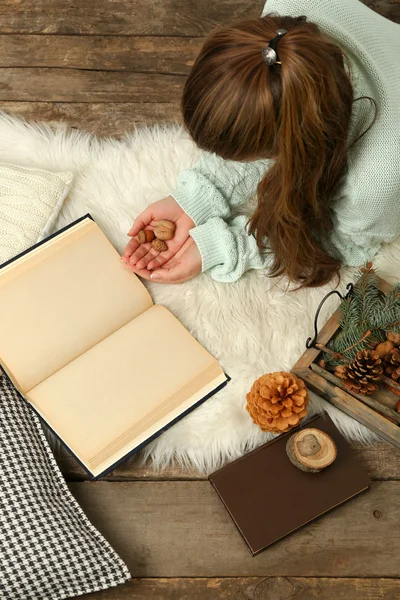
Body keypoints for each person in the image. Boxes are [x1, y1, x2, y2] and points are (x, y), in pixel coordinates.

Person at [122, 0, 400, 287]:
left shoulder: (377, 178)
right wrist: (198, 198)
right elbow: (273, 98)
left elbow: (345, 243)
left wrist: (224, 246)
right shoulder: (280, 26)